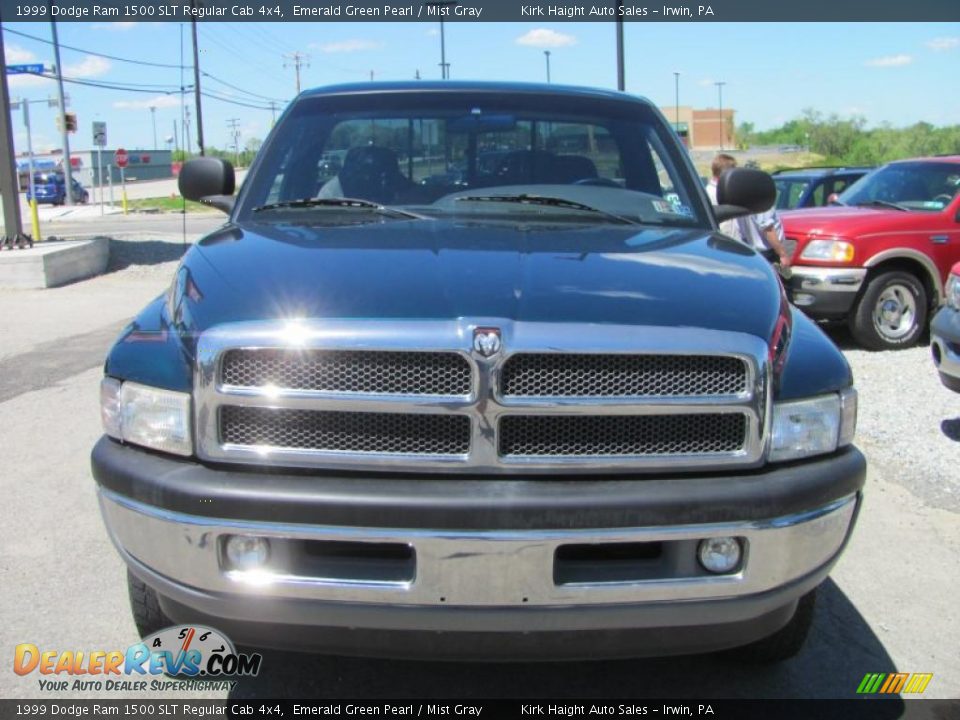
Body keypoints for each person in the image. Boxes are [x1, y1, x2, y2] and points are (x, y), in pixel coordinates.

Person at [706, 154, 791, 269]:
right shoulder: (755, 198)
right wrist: (782, 253)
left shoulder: (714, 192)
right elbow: (768, 229)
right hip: (760, 252)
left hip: (744, 249)